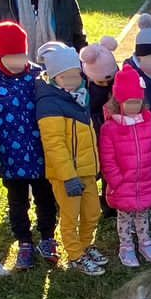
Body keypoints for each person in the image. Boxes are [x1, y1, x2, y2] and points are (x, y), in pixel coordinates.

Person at [0, 22, 58, 271]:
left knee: (46, 197)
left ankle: (47, 237)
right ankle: (24, 242)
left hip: (39, 152)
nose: (17, 61)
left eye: (21, 55)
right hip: (10, 156)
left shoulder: (38, 77)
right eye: (10, 56)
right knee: (17, 201)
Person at [36, 43, 106, 275]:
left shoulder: (80, 98)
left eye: (76, 74)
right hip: (67, 176)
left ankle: (86, 245)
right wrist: (68, 176)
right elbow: (54, 145)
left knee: (92, 211)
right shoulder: (49, 103)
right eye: (67, 77)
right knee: (70, 216)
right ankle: (75, 255)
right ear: (56, 78)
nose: (74, 80)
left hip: (86, 170)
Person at [99, 65, 151, 269]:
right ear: (119, 102)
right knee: (125, 217)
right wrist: (117, 181)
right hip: (124, 184)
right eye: (129, 103)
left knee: (143, 215)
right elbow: (108, 159)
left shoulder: (150, 124)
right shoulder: (110, 128)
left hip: (147, 181)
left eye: (137, 102)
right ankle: (126, 246)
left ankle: (145, 243)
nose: (133, 107)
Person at [80, 36, 119, 126]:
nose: (106, 85)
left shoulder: (117, 81)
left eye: (110, 81)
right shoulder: (83, 91)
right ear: (89, 77)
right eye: (100, 82)